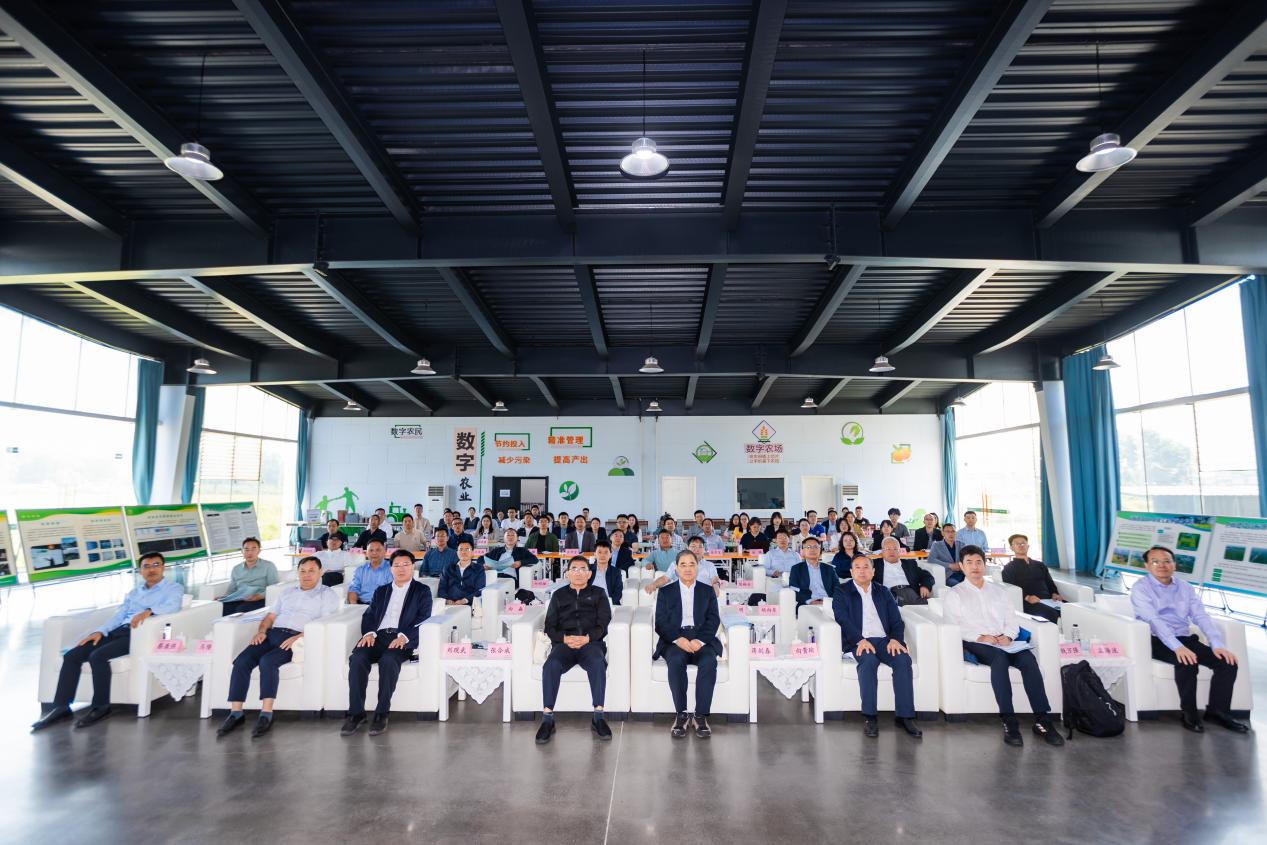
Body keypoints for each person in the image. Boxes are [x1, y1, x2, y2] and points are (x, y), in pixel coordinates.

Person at [32, 552, 184, 731]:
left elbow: (173, 605)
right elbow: (119, 616)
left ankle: (101, 706)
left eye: (156, 565)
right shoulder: (134, 593)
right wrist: (100, 631)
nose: (151, 570)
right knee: (72, 655)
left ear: (163, 567)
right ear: (140, 571)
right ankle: (61, 706)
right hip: (117, 631)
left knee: (98, 656)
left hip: (138, 634)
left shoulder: (173, 588)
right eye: (146, 566)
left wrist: (149, 611)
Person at [942, 546, 1063, 747]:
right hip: (977, 642)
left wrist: (1008, 636)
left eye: (979, 562)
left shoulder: (998, 592)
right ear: (961, 566)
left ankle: (1043, 720)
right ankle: (1009, 720)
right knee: (999, 660)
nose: (975, 567)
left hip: (1005, 641)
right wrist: (981, 637)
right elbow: (953, 625)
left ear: (984, 565)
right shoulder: (955, 594)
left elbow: (1011, 619)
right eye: (969, 563)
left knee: (1028, 660)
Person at [217, 556, 341, 739]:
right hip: (272, 634)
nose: (306, 575)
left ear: (320, 572)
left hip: (294, 638)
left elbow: (323, 623)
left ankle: (266, 714)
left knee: (268, 662)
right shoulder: (286, 592)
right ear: (297, 572)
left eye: (311, 571)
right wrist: (261, 632)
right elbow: (270, 617)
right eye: (303, 571)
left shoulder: (327, 594)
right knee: (242, 661)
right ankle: (236, 713)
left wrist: (298, 638)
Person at [1130, 546, 1249, 733]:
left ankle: (1218, 712)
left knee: (1227, 662)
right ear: (1146, 565)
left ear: (1174, 564)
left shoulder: (1185, 587)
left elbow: (1200, 616)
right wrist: (1177, 647)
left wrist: (1217, 644)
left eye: (1167, 561)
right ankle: (1190, 714)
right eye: (1155, 561)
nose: (1162, 565)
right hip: (1156, 639)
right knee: (1187, 662)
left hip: (1185, 638)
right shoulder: (1140, 588)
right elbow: (1154, 621)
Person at [341, 550, 433, 737]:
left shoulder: (422, 591)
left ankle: (381, 713)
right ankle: (356, 713)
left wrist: (405, 637)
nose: (401, 569)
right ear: (391, 569)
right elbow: (369, 615)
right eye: (397, 565)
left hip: (402, 638)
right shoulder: (381, 591)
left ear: (413, 567)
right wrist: (369, 633)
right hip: (378, 636)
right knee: (357, 658)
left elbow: (424, 618)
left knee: (389, 660)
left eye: (406, 565)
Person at [832, 554, 922, 739]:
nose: (862, 571)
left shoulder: (883, 591)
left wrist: (896, 639)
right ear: (851, 572)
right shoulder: (842, 591)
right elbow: (842, 619)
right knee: (868, 662)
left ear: (873, 571)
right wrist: (859, 639)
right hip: (858, 641)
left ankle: (905, 716)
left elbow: (896, 620)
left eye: (866, 567)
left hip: (884, 641)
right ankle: (870, 717)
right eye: (857, 567)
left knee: (903, 660)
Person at [534, 556, 613, 744]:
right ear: (567, 573)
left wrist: (588, 638)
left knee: (597, 663)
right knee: (551, 665)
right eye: (574, 569)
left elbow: (604, 623)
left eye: (583, 568)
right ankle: (547, 719)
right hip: (564, 644)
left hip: (591, 643)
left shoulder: (599, 593)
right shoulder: (558, 595)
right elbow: (550, 626)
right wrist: (564, 638)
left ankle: (598, 717)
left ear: (589, 574)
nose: (578, 572)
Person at [653, 550, 722, 739]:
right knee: (675, 660)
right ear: (676, 568)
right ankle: (681, 714)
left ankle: (700, 715)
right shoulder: (665, 591)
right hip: (675, 639)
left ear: (697, 567)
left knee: (709, 661)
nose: (688, 569)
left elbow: (713, 620)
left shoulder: (707, 591)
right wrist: (679, 639)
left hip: (702, 638)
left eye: (692, 564)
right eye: (683, 565)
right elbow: (661, 622)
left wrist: (699, 641)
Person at [1001, 534, 1064, 622]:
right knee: (1052, 613)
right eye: (1017, 544)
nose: (1021, 545)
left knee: (1071, 609)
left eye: (1023, 543)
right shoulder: (1009, 568)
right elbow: (1010, 588)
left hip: (1049, 600)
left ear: (1028, 546)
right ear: (1011, 548)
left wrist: (1054, 593)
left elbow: (1049, 582)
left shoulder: (1040, 565)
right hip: (1029, 602)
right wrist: (1027, 597)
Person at [218, 537, 279, 615]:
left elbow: (273, 587)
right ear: (242, 551)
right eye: (246, 549)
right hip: (240, 598)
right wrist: (224, 597)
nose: (250, 553)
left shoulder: (268, 566)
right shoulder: (236, 569)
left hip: (259, 599)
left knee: (241, 610)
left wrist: (259, 596)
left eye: (253, 549)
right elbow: (232, 589)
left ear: (259, 551)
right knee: (221, 607)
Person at [646, 535, 722, 598]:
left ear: (704, 550)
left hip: (702, 598)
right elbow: (665, 578)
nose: (697, 549)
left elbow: (715, 580)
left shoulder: (710, 566)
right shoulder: (676, 564)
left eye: (700, 546)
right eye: (693, 546)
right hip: (680, 598)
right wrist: (654, 585)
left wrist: (716, 587)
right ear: (687, 548)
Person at [872, 537, 934, 605]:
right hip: (890, 595)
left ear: (899, 551)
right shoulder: (874, 565)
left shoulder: (910, 564)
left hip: (911, 594)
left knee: (933, 606)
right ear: (882, 551)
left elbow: (927, 576)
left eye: (895, 549)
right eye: (888, 549)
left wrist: (925, 586)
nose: (892, 552)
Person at [787, 537, 838, 608]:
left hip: (829, 603)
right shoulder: (796, 569)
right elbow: (793, 589)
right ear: (803, 551)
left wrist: (830, 601)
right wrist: (809, 601)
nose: (812, 549)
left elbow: (838, 588)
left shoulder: (829, 569)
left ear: (820, 550)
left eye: (815, 547)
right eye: (808, 547)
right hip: (808, 604)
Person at [438, 539, 485, 605]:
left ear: (472, 552)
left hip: (469, 604)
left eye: (467, 549)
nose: (463, 552)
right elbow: (441, 588)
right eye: (461, 549)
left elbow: (479, 590)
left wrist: (465, 600)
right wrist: (447, 600)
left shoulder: (479, 569)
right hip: (449, 603)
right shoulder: (448, 568)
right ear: (457, 552)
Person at [347, 540, 393, 604]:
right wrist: (354, 605)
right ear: (366, 553)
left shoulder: (391, 568)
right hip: (362, 604)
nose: (374, 553)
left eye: (378, 550)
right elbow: (354, 589)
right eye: (371, 550)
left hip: (382, 605)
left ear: (385, 552)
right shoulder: (360, 569)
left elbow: (392, 590)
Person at [586, 539, 623, 605]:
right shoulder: (587, 569)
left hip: (609, 603)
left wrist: (608, 603)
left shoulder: (616, 571)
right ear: (595, 554)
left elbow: (618, 593)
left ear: (610, 555)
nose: (602, 555)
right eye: (599, 552)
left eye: (606, 552)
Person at [927, 522, 964, 587]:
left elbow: (967, 558)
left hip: (963, 573)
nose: (950, 534)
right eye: (947, 531)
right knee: (959, 587)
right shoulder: (937, 545)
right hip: (948, 575)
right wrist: (949, 565)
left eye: (953, 531)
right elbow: (931, 559)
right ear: (942, 533)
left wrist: (961, 565)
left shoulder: (961, 544)